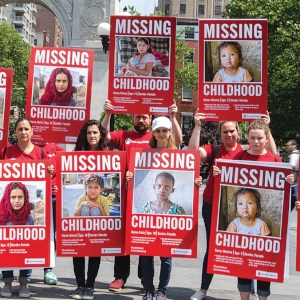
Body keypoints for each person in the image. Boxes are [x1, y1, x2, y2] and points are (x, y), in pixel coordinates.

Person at [188, 112, 277, 300]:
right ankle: (203, 289)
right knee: (212, 248)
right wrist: (197, 126)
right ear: (220, 134)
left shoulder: (244, 151)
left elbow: (273, 159)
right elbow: (193, 155)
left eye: (232, 131)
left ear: (238, 132)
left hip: (239, 207)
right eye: (225, 131)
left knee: (246, 246)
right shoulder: (215, 150)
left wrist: (266, 126)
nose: (229, 135)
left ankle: (249, 291)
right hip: (212, 204)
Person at [101, 100, 182, 292]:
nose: (141, 120)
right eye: (138, 117)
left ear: (150, 119)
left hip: (147, 196)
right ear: (132, 118)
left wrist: (172, 116)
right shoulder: (124, 136)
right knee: (124, 238)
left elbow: (177, 141)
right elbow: (104, 136)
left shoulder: (157, 137)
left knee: (146, 239)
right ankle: (120, 277)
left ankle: (145, 279)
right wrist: (108, 114)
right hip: (126, 195)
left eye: (144, 117)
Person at [213, 119, 294, 300]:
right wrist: (219, 173)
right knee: (243, 266)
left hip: (259, 235)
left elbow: (284, 187)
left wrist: (289, 181)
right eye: (252, 138)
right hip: (242, 233)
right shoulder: (239, 157)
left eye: (259, 138)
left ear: (266, 139)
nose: (256, 142)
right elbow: (226, 175)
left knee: (264, 266)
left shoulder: (275, 159)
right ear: (247, 139)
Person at [126, 116, 201, 300]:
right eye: (158, 131)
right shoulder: (143, 154)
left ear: (169, 133)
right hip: (149, 218)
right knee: (146, 255)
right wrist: (130, 176)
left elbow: (191, 169)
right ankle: (149, 290)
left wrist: (196, 181)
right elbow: (136, 179)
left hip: (169, 221)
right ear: (153, 133)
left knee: (166, 257)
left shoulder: (179, 155)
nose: (161, 134)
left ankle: (162, 291)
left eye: (164, 131)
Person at [0, 117, 58, 286]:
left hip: (30, 208)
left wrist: (50, 171)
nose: (23, 132)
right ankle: (7, 281)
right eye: (20, 129)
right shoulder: (5, 153)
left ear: (32, 132)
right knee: (8, 242)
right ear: (15, 132)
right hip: (9, 209)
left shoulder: (40, 153)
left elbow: (49, 178)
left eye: (26, 129)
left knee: (29, 242)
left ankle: (25, 281)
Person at [71, 119, 107, 300]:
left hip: (98, 225)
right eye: (89, 133)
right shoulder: (77, 154)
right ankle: (79, 286)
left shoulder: (108, 155)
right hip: (80, 223)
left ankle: (90, 286)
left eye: (95, 132)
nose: (92, 136)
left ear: (101, 134)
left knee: (94, 252)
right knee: (77, 250)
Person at [0, 182, 33, 298]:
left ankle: (24, 283)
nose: (17, 201)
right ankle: (7, 283)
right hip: (9, 250)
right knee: (5, 254)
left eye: (20, 197)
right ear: (8, 198)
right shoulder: (2, 217)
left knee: (29, 253)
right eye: (13, 197)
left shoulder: (29, 219)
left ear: (25, 198)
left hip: (24, 250)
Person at [285, 139, 299, 210]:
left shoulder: (293, 155)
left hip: (294, 183)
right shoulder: (298, 154)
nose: (286, 147)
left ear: (294, 146)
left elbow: (291, 167)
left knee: (289, 205)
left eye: (288, 145)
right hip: (297, 181)